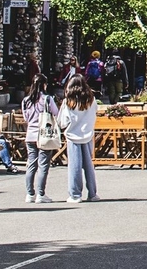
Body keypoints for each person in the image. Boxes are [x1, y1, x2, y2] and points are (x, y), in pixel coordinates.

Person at [58, 74, 99, 203]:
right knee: (89, 166)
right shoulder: (91, 100)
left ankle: (75, 195)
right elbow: (94, 114)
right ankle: (92, 193)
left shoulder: (68, 102)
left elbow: (62, 121)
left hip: (72, 136)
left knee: (74, 166)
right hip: (87, 134)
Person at [21, 75, 54, 202]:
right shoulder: (47, 99)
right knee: (43, 165)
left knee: (31, 165)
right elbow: (55, 113)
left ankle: (30, 194)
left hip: (30, 134)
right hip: (44, 134)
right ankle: (41, 194)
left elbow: (25, 118)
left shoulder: (26, 100)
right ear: (44, 84)